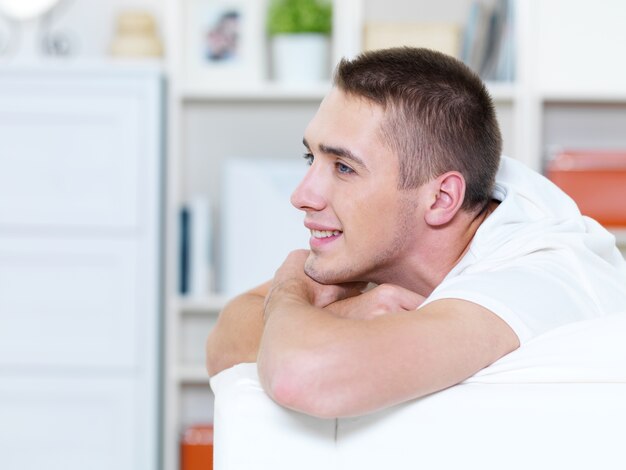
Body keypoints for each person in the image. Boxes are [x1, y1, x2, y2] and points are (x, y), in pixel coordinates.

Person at [205, 47, 626, 419]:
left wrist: (290, 287)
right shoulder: (409, 223)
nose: (301, 196)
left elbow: (301, 375)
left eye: (344, 168)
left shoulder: (537, 278)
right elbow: (223, 343)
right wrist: (344, 315)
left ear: (443, 199)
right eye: (309, 157)